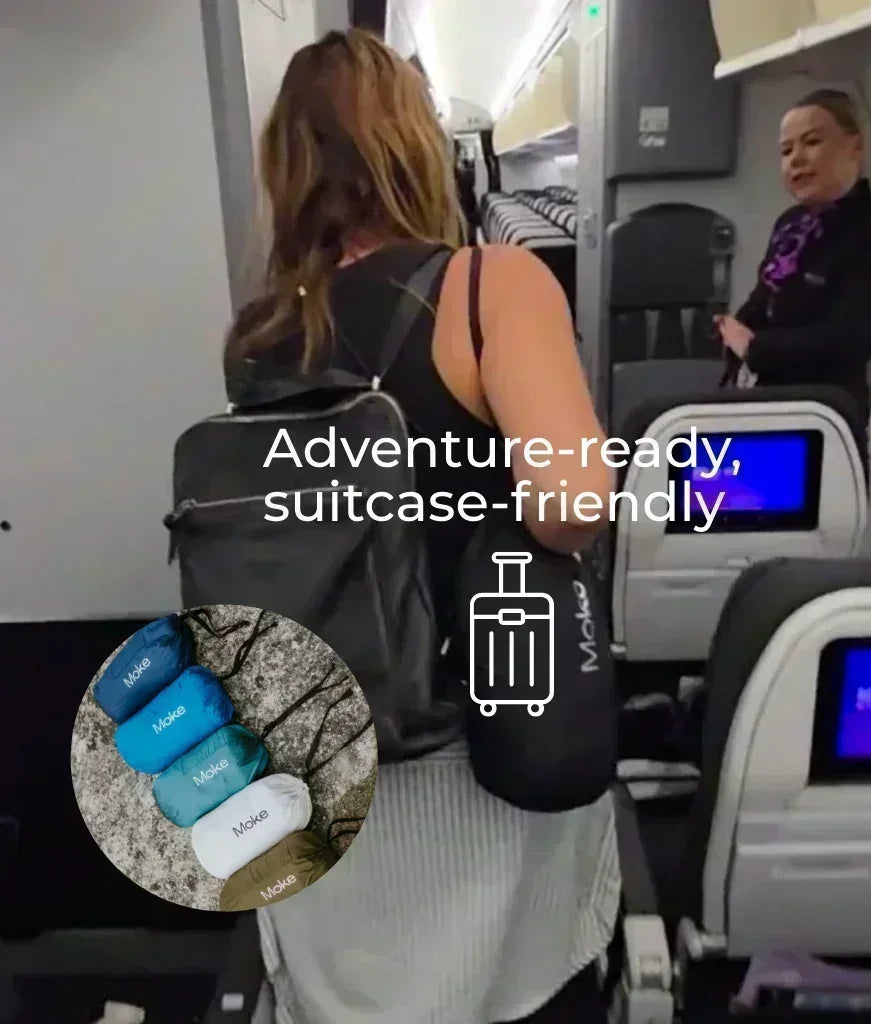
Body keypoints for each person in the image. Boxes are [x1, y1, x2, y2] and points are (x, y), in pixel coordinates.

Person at [221, 29, 619, 1024]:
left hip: (325, 756)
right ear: (412, 144)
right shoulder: (489, 286)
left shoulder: (265, 330)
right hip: (480, 751)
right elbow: (573, 500)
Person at [716, 89, 871, 425]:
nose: (796, 159)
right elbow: (764, 298)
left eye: (812, 142)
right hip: (763, 402)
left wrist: (754, 348)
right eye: (786, 150)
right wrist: (731, 327)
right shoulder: (789, 224)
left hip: (823, 415)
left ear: (854, 147)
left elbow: (849, 340)